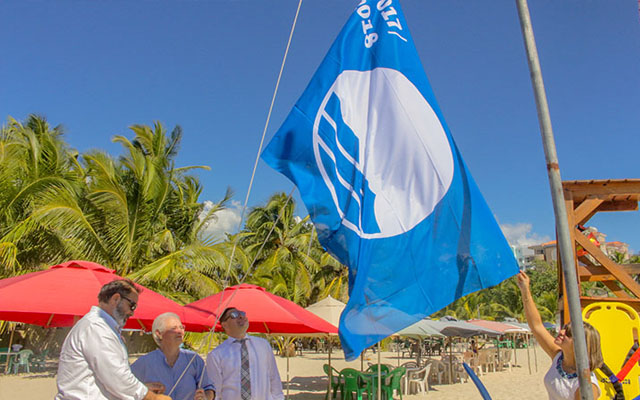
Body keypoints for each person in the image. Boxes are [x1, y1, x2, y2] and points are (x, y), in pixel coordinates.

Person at [56, 279, 171, 400]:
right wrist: (151, 397)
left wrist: (142, 388)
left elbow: (107, 378)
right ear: (115, 299)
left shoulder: (101, 326)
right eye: (132, 306)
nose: (132, 313)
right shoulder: (97, 327)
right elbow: (116, 376)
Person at [516, 271, 603, 400]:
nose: (561, 332)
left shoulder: (586, 385)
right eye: (564, 328)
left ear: (581, 345)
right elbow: (537, 326)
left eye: (568, 333)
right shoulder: (559, 357)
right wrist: (525, 289)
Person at [132, 312, 215, 400]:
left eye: (181, 327)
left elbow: (209, 388)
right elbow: (126, 388)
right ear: (159, 334)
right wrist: (145, 388)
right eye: (173, 328)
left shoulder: (194, 359)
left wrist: (206, 396)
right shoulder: (144, 363)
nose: (180, 331)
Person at [205, 307, 284, 400]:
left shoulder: (263, 345)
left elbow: (274, 378)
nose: (241, 317)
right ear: (224, 324)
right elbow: (215, 390)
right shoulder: (216, 355)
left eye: (242, 314)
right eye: (234, 315)